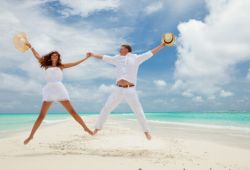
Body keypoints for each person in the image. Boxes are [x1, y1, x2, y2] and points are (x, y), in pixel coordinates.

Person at [87, 42, 168, 140]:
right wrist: (93, 55)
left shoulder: (136, 58)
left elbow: (150, 53)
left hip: (130, 90)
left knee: (138, 111)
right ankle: (96, 129)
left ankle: (146, 132)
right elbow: (105, 57)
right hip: (118, 89)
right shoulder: (117, 58)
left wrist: (162, 45)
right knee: (106, 108)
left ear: (127, 49)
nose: (119, 50)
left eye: (121, 48)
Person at [23, 42, 93, 145]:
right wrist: (31, 47)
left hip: (60, 90)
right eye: (53, 55)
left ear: (58, 57)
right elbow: (37, 56)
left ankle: (86, 128)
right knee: (41, 116)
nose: (54, 56)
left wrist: (86, 58)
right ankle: (31, 136)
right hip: (49, 91)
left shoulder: (62, 66)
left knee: (72, 112)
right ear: (51, 57)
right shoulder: (46, 65)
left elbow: (75, 63)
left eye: (56, 55)